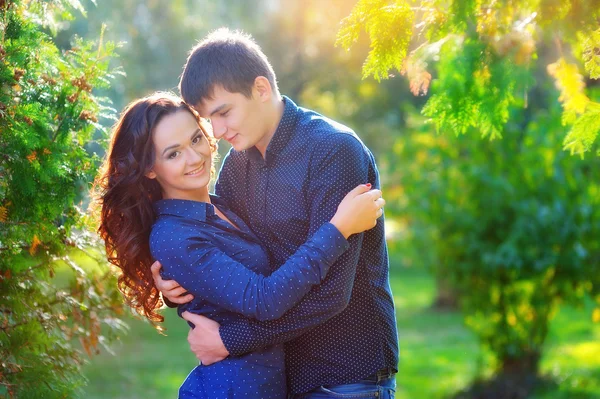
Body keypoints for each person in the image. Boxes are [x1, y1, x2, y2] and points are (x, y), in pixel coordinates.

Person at [153, 28, 399, 398]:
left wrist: (230, 340)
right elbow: (233, 259)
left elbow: (333, 295)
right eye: (208, 119)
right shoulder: (238, 166)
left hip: (344, 377)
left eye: (224, 112)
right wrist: (177, 284)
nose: (216, 132)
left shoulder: (334, 152)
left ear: (261, 89)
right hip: (277, 378)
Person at [95, 92, 385, 399]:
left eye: (195, 139)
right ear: (150, 169)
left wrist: (179, 288)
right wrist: (338, 229)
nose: (194, 158)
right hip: (233, 388)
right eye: (173, 154)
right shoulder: (174, 235)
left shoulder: (222, 207)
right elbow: (263, 299)